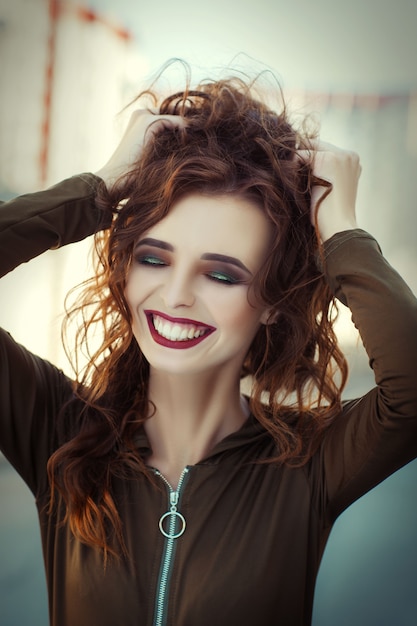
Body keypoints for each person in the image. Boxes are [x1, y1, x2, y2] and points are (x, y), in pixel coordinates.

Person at [1, 71, 416, 626]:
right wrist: (99, 189)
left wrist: (339, 229)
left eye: (221, 275)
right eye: (153, 258)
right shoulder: (59, 430)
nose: (174, 297)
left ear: (273, 300)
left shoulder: (307, 464)